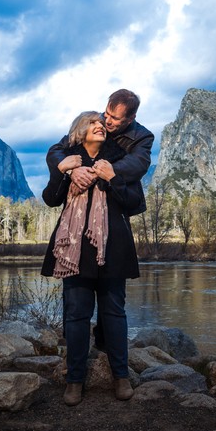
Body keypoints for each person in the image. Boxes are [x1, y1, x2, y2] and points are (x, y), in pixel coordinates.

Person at [41, 111, 142, 406]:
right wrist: (63, 171)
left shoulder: (118, 159)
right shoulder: (69, 160)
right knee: (75, 315)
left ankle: (121, 377)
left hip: (113, 247)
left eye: (102, 123)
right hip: (75, 250)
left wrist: (112, 179)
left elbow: (134, 203)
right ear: (79, 131)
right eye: (92, 123)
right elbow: (51, 198)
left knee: (114, 313)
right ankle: (74, 381)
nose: (100, 125)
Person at [46, 89, 153, 351]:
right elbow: (56, 152)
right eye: (105, 114)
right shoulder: (92, 125)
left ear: (130, 119)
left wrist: (99, 172)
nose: (107, 122)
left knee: (112, 299)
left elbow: (137, 166)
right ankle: (74, 357)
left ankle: (107, 350)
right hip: (76, 229)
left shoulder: (142, 137)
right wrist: (71, 168)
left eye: (114, 119)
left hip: (114, 214)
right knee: (76, 300)